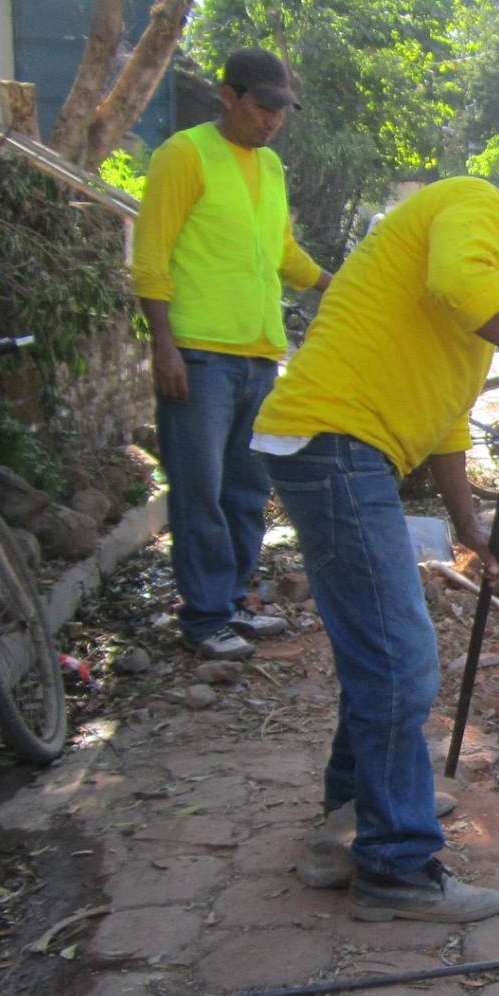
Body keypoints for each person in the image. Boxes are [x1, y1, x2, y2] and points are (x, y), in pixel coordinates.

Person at [252, 140, 499, 922]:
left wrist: (470, 525)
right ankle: (396, 868)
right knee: (402, 660)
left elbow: (447, 424)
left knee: (379, 651)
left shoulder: (474, 290)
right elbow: (458, 280)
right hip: (335, 441)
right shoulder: (473, 207)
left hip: (344, 448)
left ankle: (350, 822)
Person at [132, 48, 333, 662]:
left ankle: (236, 599)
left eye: (281, 110)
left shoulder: (269, 168)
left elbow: (283, 253)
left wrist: (337, 284)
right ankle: (202, 617)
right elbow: (150, 260)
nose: (272, 120)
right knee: (200, 489)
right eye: (263, 106)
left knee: (246, 488)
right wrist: (163, 344)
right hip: (197, 355)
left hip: (257, 356)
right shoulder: (184, 156)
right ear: (229, 96)